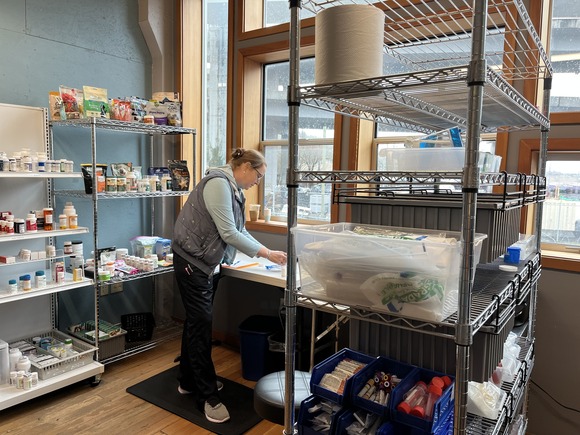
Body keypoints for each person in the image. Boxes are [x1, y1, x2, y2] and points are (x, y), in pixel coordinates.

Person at [171, 148, 287, 424]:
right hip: (191, 261)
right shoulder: (218, 185)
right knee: (201, 326)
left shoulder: (234, 189)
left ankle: (188, 380)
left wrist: (266, 251)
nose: (257, 182)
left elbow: (239, 229)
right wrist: (267, 254)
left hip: (207, 263)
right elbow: (229, 233)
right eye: (258, 176)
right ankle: (206, 396)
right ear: (245, 166)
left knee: (196, 323)